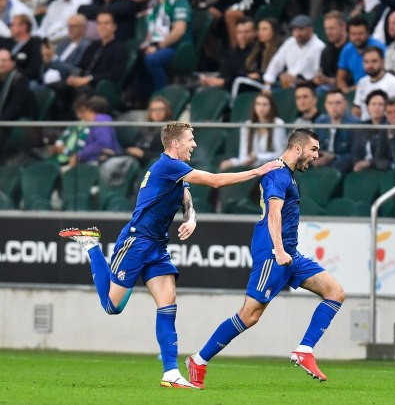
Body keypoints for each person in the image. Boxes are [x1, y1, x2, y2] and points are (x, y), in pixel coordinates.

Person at [59, 121, 283, 389]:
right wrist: (258, 170)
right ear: (175, 143)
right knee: (112, 307)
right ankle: (91, 244)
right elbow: (214, 181)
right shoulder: (168, 166)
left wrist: (191, 218)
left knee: (168, 305)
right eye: (190, 139)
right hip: (136, 242)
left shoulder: (176, 171)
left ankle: (171, 373)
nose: (194, 144)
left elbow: (186, 195)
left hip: (157, 246)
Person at [185, 128, 345, 388]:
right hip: (273, 253)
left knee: (335, 292)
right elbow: (274, 213)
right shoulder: (278, 174)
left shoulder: (287, 174)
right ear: (297, 148)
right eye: (313, 149)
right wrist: (279, 250)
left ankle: (305, 350)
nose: (317, 155)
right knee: (250, 315)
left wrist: (286, 251)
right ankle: (199, 360)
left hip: (290, 253)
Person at [219, 92, 287, 170]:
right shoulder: (248, 125)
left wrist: (258, 157)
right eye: (258, 104)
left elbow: (280, 154)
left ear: (271, 107)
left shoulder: (278, 123)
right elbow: (243, 157)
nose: (261, 108)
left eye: (265, 104)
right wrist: (233, 162)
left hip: (272, 168)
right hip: (252, 168)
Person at [141, 0, 192, 93]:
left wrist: (158, 47)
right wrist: (146, 44)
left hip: (177, 46)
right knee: (138, 55)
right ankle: (144, 96)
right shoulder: (155, 4)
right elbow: (151, 30)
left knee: (152, 59)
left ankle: (163, 94)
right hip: (156, 43)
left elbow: (179, 31)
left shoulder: (179, 2)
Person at [262, 15, 325, 90]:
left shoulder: (319, 46)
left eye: (301, 29)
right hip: (287, 85)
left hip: (309, 86)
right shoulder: (290, 42)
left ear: (310, 29)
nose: (298, 34)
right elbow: (276, 62)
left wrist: (298, 80)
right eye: (295, 30)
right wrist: (267, 85)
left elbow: (318, 74)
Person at [200, 17, 255, 90]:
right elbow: (223, 74)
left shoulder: (256, 53)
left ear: (254, 33)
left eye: (246, 32)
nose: (243, 36)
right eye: (239, 32)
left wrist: (223, 82)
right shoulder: (231, 53)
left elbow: (249, 76)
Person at [231, 17, 280, 99]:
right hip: (256, 81)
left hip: (271, 85)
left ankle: (232, 104)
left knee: (239, 82)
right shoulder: (257, 48)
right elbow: (246, 68)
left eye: (265, 29)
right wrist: (248, 75)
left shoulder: (279, 49)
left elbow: (276, 72)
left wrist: (259, 75)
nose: (261, 32)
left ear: (274, 31)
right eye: (259, 29)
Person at [314, 88, 359, 173]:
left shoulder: (355, 124)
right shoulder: (320, 121)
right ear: (326, 105)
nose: (334, 107)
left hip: (342, 164)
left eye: (338, 103)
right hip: (322, 162)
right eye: (330, 103)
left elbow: (355, 154)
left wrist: (334, 157)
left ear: (345, 104)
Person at [352, 46, 395, 120]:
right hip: (364, 125)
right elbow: (357, 110)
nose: (370, 65)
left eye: (374, 61)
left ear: (382, 62)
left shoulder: (393, 83)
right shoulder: (362, 82)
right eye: (366, 62)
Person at [336, 16, 386, 93]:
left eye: (360, 33)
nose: (357, 37)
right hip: (357, 91)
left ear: (368, 33)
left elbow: (386, 74)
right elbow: (340, 79)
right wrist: (346, 91)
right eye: (353, 34)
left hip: (379, 88)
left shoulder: (379, 47)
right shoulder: (347, 50)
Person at [40, 15, 91, 86]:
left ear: (83, 28)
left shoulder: (87, 46)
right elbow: (50, 62)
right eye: (69, 26)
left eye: (73, 26)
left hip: (66, 81)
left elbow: (77, 70)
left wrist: (54, 59)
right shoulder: (63, 43)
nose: (70, 29)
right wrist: (47, 59)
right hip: (49, 78)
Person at [124, 97, 171, 168]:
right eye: (154, 110)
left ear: (167, 111)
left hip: (150, 165)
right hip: (132, 160)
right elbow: (132, 146)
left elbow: (168, 156)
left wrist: (143, 154)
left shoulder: (170, 131)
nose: (157, 112)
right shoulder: (144, 128)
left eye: (160, 109)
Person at [352, 89, 387, 172]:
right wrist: (357, 163)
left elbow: (386, 156)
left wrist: (369, 163)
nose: (377, 108)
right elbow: (355, 151)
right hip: (360, 167)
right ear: (368, 107)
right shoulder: (361, 127)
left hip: (380, 168)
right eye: (373, 104)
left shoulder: (389, 127)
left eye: (380, 104)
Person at [313, 10, 348, 92]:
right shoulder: (326, 51)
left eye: (332, 28)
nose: (328, 32)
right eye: (326, 29)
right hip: (329, 89)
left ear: (343, 26)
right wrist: (319, 79)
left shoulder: (353, 47)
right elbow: (323, 72)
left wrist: (330, 81)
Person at [0, 47, 34, 121]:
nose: (0, 64)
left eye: (4, 61)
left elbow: (15, 107)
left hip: (16, 122)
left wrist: (2, 121)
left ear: (12, 63)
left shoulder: (20, 80)